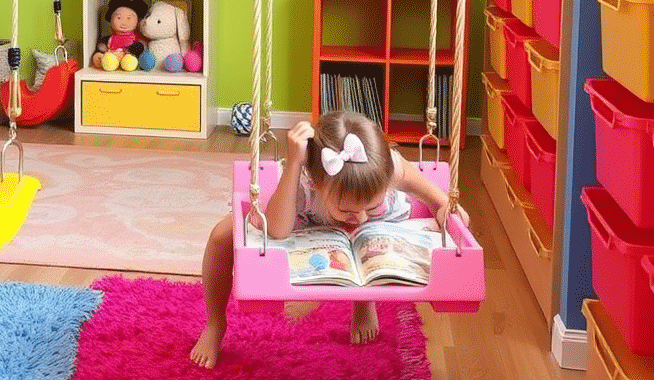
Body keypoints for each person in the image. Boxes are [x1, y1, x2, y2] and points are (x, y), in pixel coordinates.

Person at [189, 110, 469, 366]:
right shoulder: (304, 182)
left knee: (364, 244)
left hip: (378, 231)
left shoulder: (391, 168)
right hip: (308, 221)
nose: (359, 217)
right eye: (347, 209)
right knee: (221, 235)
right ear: (315, 182)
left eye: (369, 206)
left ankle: (363, 300)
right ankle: (215, 323)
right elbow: (277, 230)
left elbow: (440, 202)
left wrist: (450, 215)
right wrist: (295, 163)